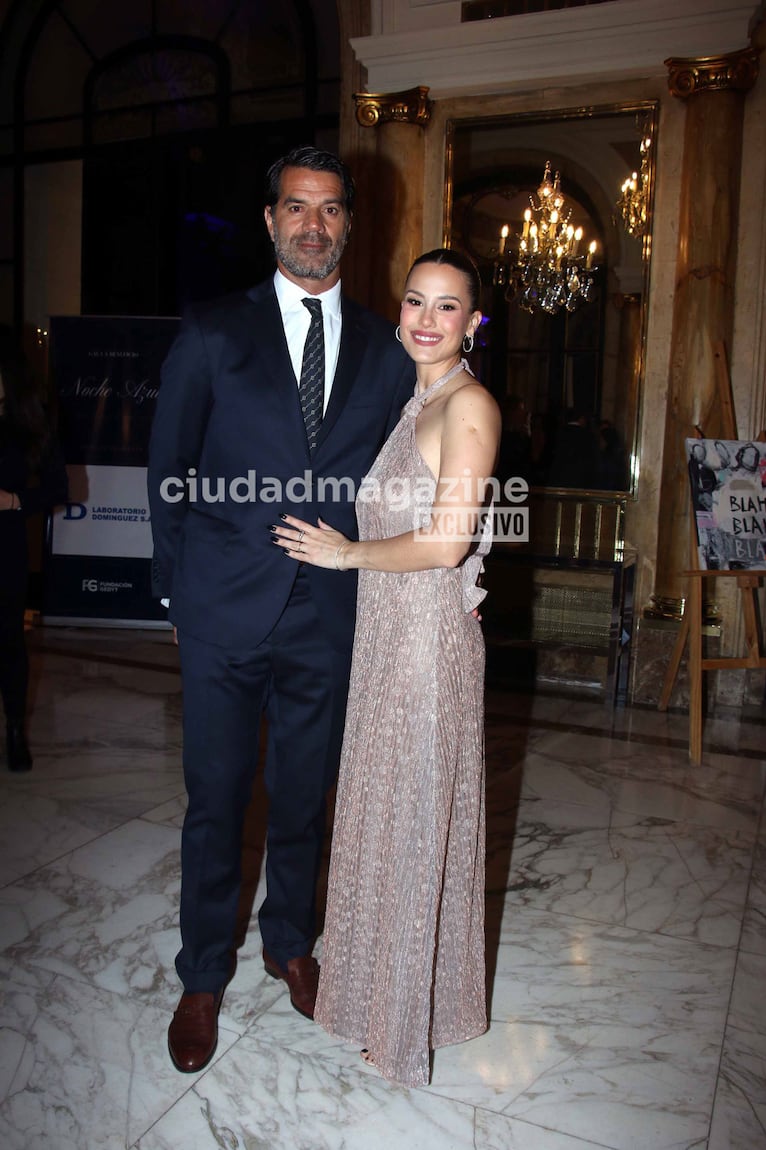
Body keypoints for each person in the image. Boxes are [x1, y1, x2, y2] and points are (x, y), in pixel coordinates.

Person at [147, 146, 413, 1074]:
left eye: (330, 209)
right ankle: (201, 974)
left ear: (349, 222)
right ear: (268, 221)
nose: (313, 225)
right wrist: (176, 590)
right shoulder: (215, 332)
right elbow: (168, 468)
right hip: (221, 609)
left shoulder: (387, 350)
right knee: (216, 801)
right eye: (295, 208)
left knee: (302, 798)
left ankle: (289, 944)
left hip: (331, 614)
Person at [272, 248, 502, 1087]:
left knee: (409, 827)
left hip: (420, 650)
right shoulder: (419, 403)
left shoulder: (467, 406)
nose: (426, 320)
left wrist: (345, 556)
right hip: (388, 638)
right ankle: (385, 1000)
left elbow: (445, 542)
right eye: (414, 301)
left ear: (473, 323)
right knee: (386, 821)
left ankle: (402, 1030)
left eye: (447, 307)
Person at [0, 325, 68, 771]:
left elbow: (59, 486)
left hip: (4, 547)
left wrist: (14, 500)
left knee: (8, 644)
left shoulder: (27, 421)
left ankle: (15, 732)